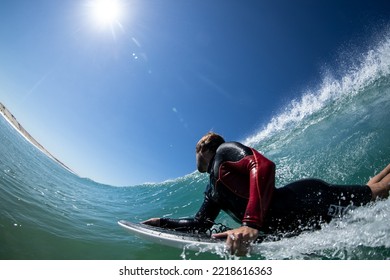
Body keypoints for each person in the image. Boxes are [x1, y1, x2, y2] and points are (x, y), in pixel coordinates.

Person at [143, 132, 390, 256]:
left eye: (195, 152)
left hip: (308, 202)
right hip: (297, 220)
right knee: (372, 188)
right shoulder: (212, 188)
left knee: (378, 191)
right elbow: (201, 223)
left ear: (202, 148)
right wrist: (163, 223)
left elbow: (261, 165)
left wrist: (250, 224)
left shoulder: (224, 151)